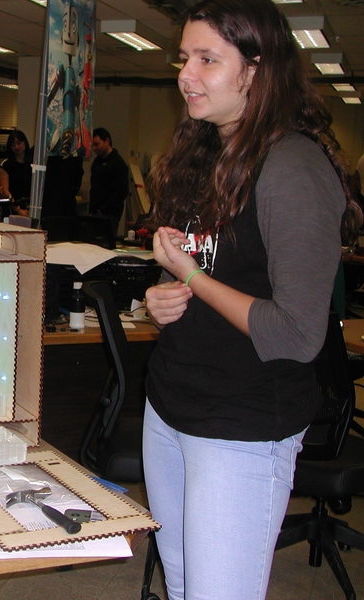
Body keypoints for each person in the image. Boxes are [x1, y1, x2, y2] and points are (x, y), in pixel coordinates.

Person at [141, 1, 362, 599]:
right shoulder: (206, 150)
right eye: (184, 57)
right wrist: (161, 296)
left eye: (208, 59)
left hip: (240, 425)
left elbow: (295, 333)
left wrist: (188, 276)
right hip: (170, 406)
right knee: (185, 585)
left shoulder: (293, 167)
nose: (186, 73)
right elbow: (214, 272)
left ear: (256, 70)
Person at [89, 127, 129, 232]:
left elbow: (121, 192)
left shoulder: (118, 163)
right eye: (92, 145)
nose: (94, 148)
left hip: (110, 215)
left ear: (107, 141)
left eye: (97, 144)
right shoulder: (96, 162)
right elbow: (94, 189)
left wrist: (103, 210)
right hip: (95, 213)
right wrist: (92, 210)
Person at [0, 130, 33, 217]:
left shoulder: (33, 163)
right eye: (13, 145)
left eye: (19, 143)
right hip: (12, 210)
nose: (16, 147)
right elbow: (5, 191)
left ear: (25, 142)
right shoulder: (6, 165)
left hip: (31, 207)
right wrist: (17, 209)